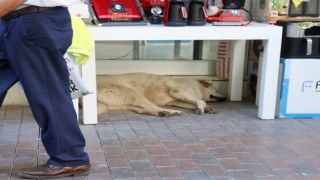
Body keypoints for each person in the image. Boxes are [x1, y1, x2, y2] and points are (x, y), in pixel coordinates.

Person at [0, 0, 91, 179]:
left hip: (34, 21)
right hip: (14, 22)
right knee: (48, 92)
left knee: (49, 94)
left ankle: (70, 159)